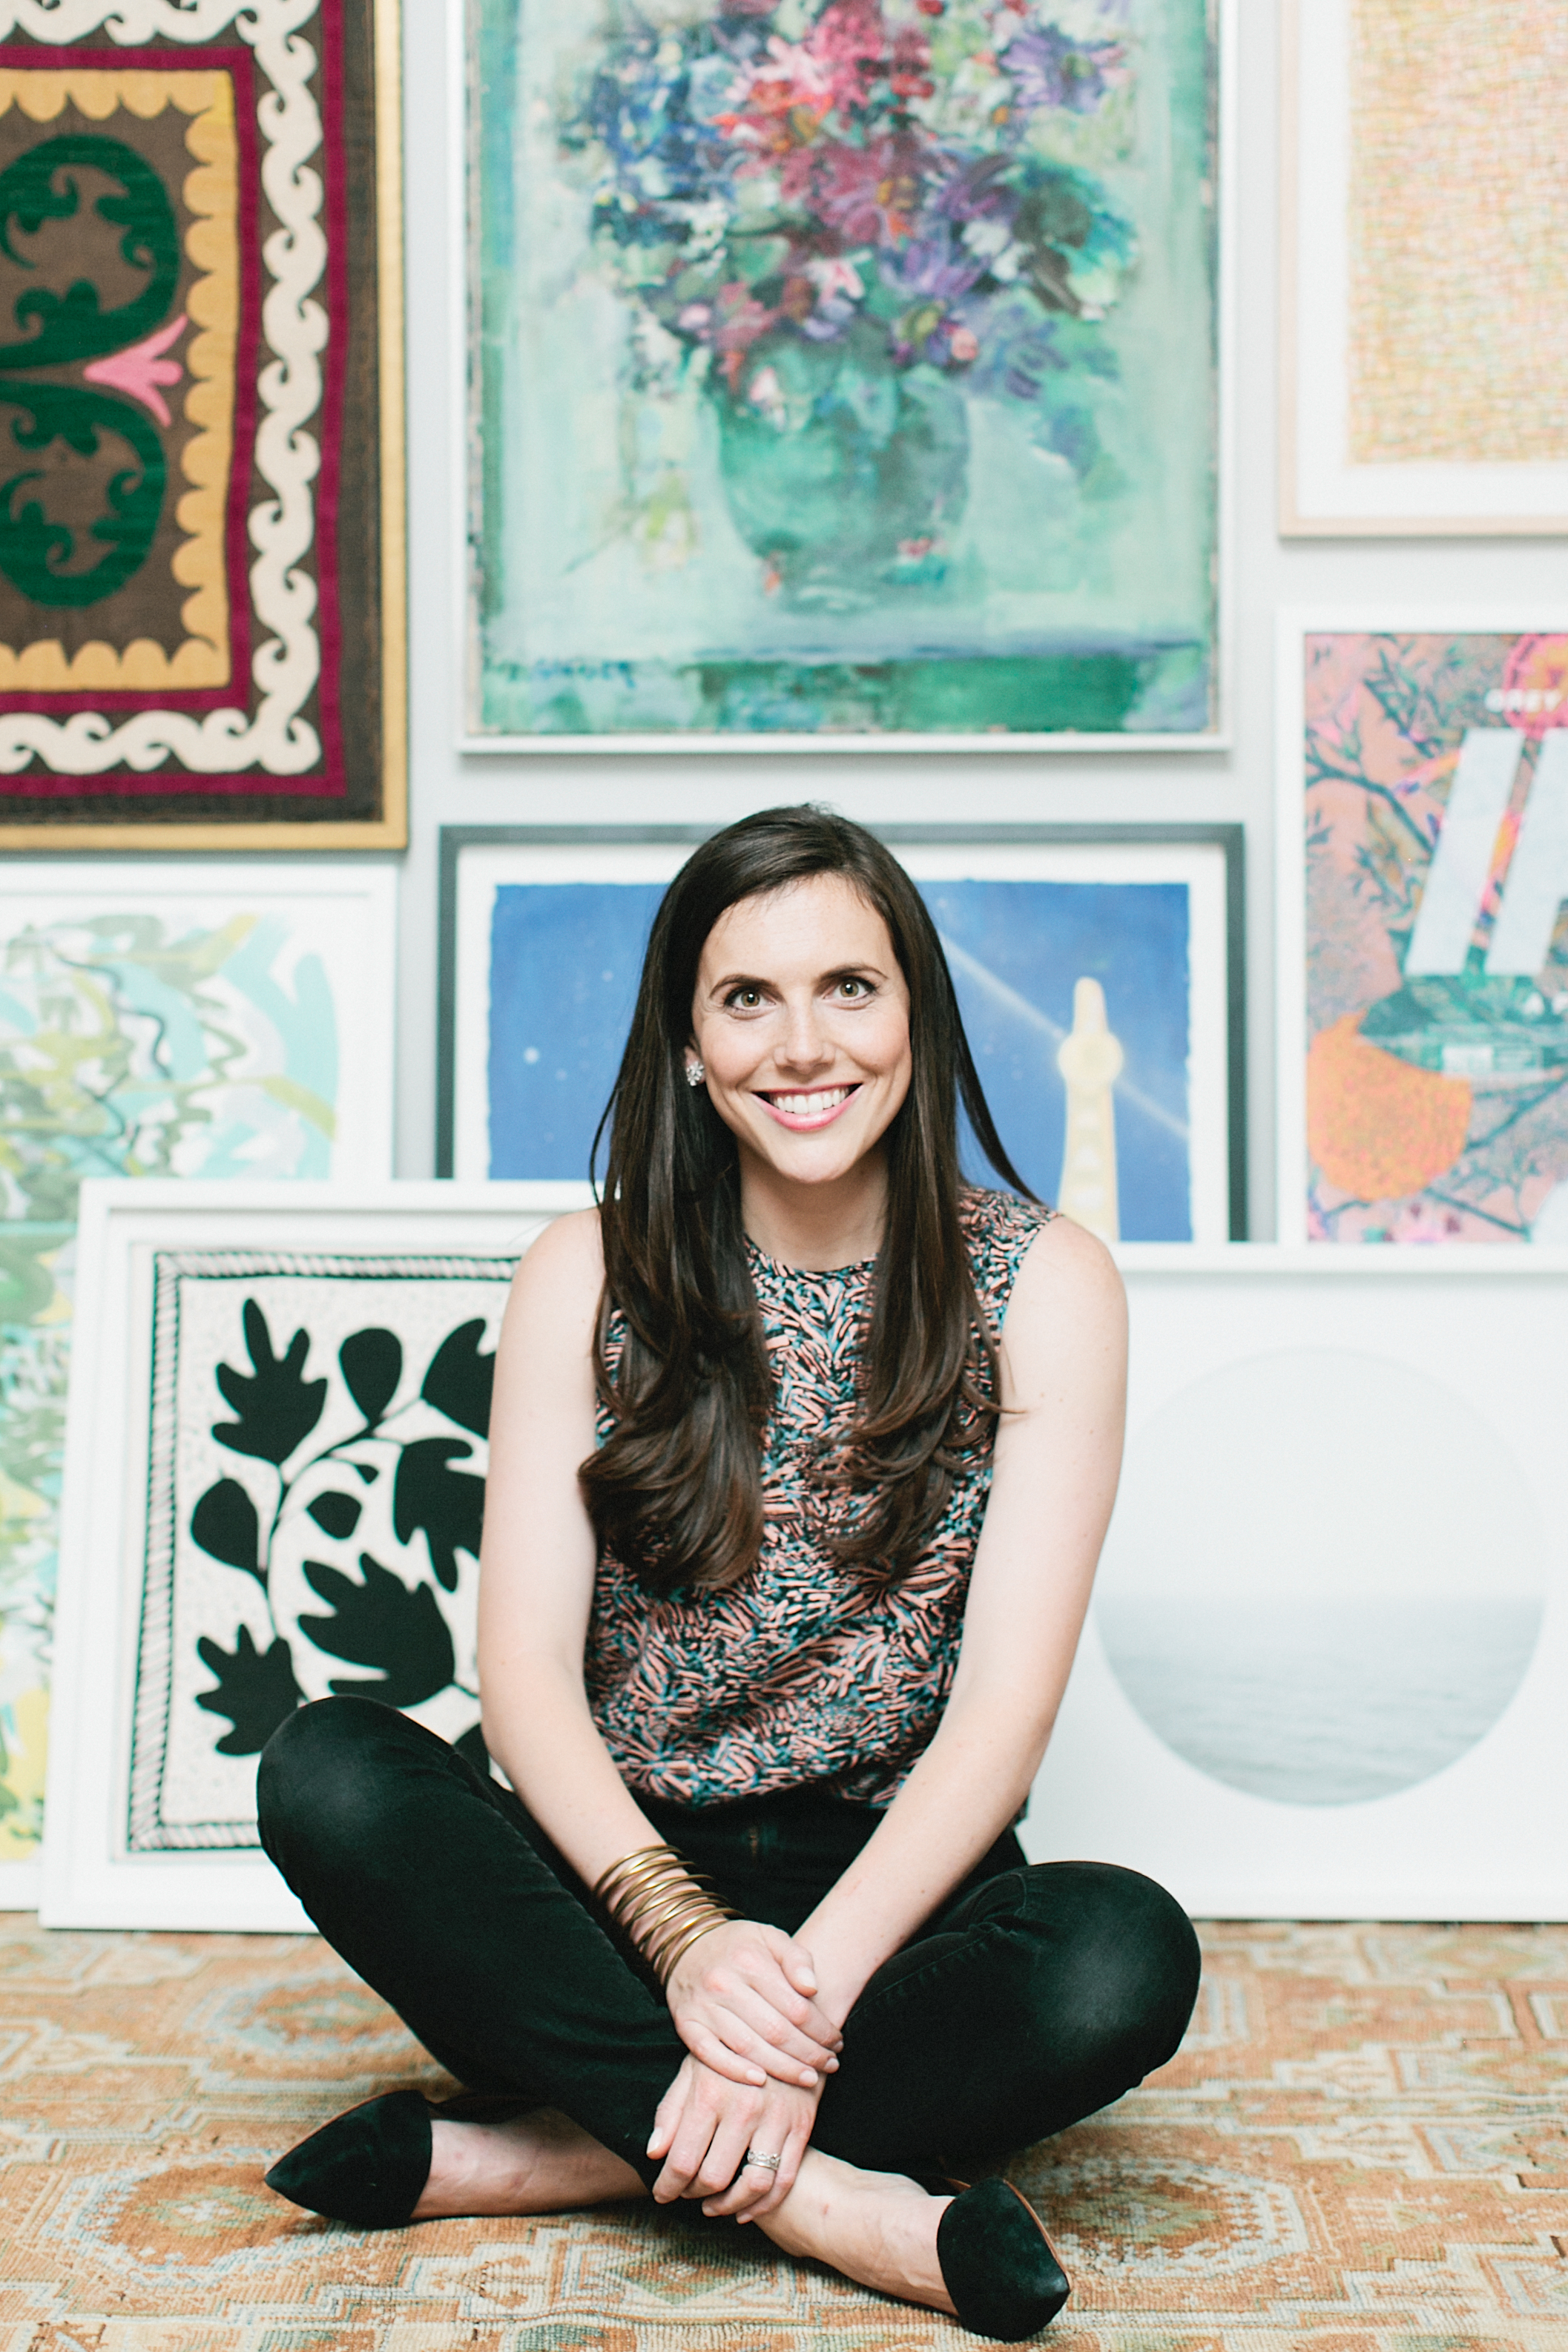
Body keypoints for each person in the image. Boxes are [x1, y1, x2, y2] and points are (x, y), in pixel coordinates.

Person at [257, 806, 1200, 2341]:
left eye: (850, 986)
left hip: (888, 1898)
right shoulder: (587, 1268)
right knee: (328, 1768)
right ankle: (834, 2198)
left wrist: (795, 1992)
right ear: (690, 1042)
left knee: (1120, 1953)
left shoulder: (1045, 1282)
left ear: (915, 1014)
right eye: (745, 997)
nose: (802, 1041)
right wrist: (686, 1943)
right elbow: (524, 1688)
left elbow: (1000, 1720)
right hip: (610, 1879)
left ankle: (558, 2143)